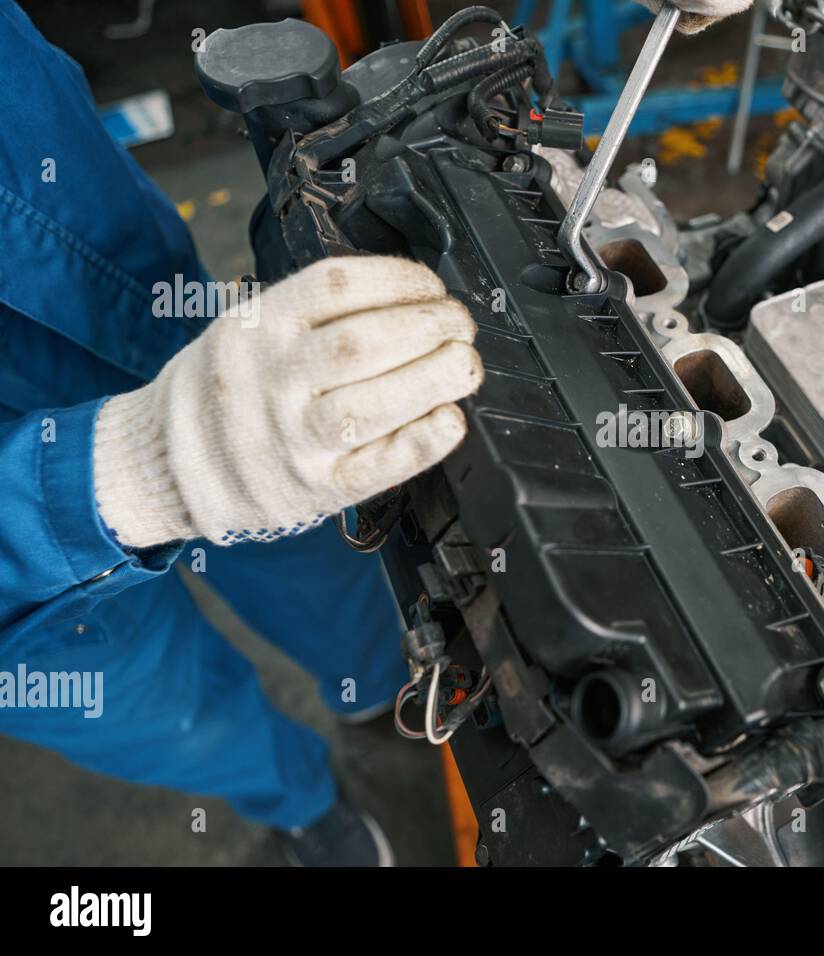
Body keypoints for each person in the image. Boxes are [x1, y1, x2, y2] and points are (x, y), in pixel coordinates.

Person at [0, 0, 750, 866]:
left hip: (48, 205)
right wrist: (140, 471)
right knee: (156, 704)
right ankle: (301, 802)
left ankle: (372, 686)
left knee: (301, 529)